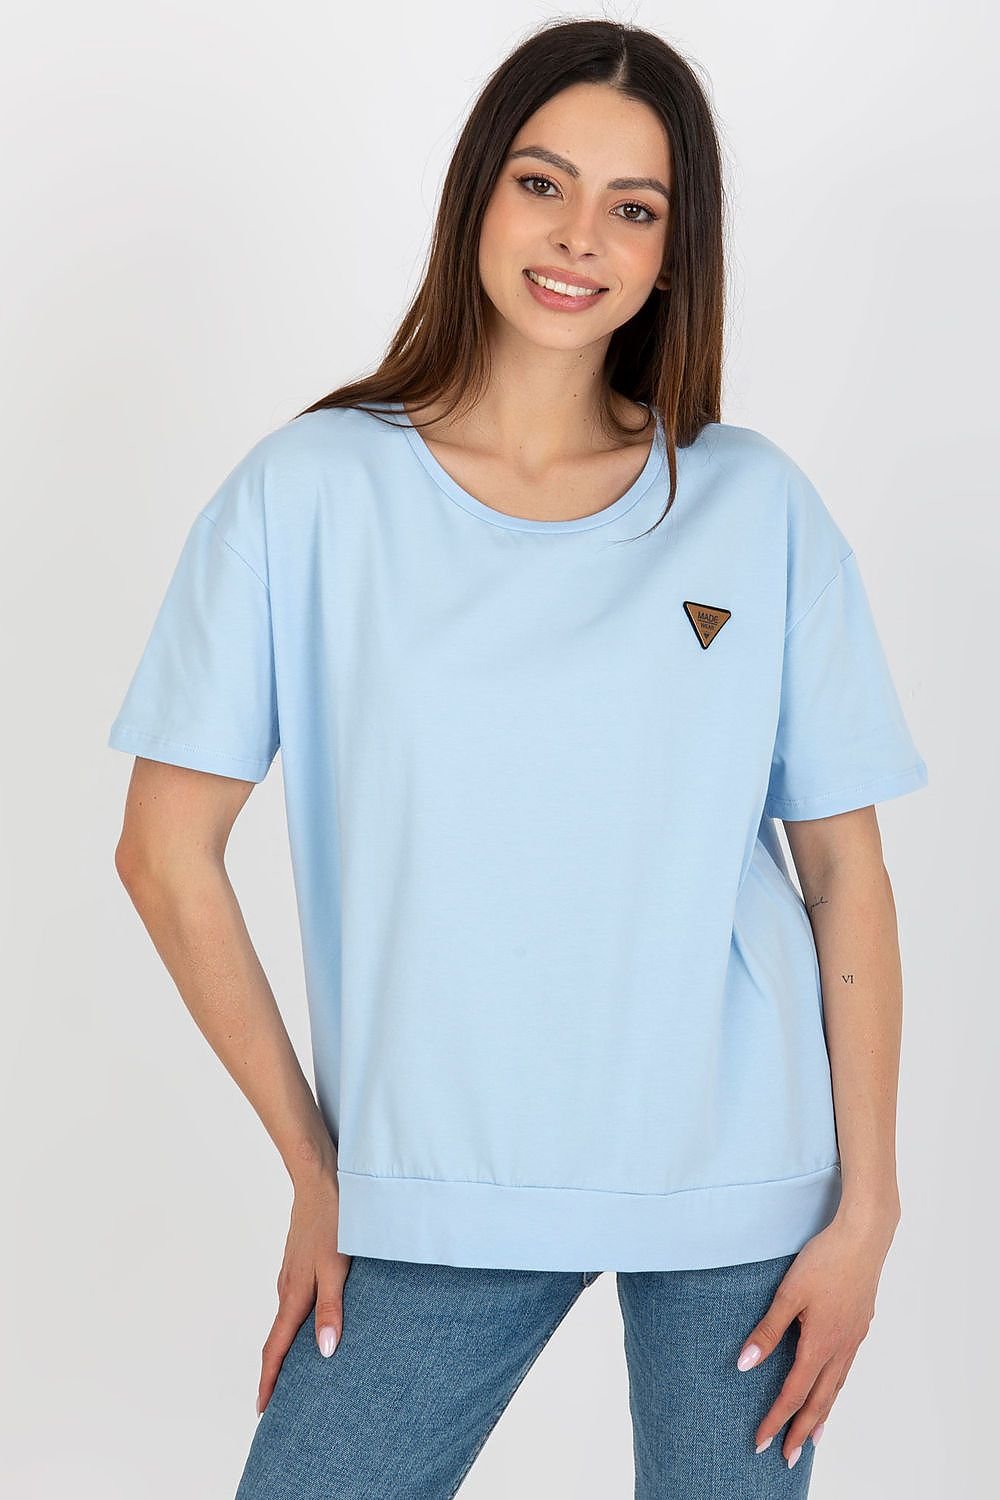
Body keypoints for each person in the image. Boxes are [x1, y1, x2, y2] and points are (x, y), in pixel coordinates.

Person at [107, 18, 928, 1498]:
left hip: (744, 1189)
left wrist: (867, 1212)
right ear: (477, 194)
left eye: (634, 207)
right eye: (542, 183)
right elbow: (163, 857)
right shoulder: (312, 491)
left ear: (675, 250)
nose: (578, 238)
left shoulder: (750, 503)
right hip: (435, 1180)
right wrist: (318, 1170)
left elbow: (842, 871)